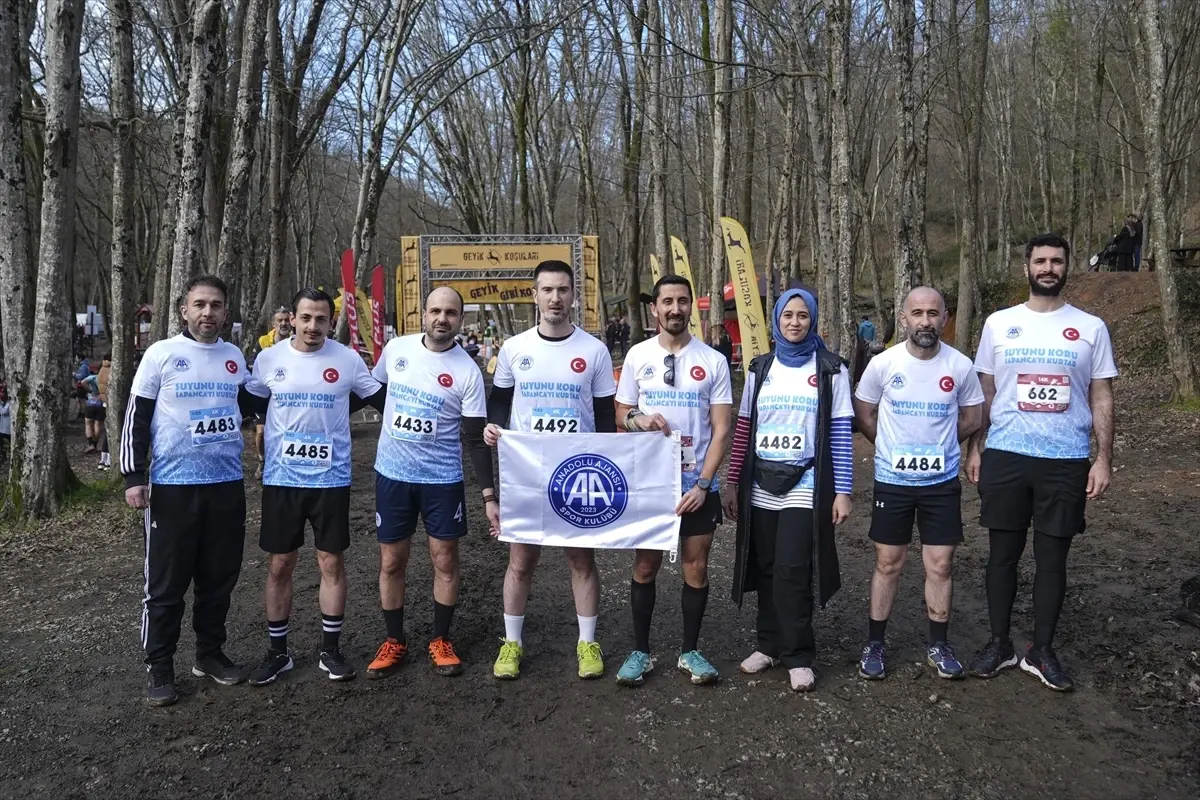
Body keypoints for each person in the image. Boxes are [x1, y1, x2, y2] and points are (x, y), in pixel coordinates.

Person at [965, 233, 1117, 692]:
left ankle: (1042, 651)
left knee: (1053, 560)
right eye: (1040, 261)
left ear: (1067, 267)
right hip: (1006, 455)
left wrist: (1103, 458)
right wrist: (975, 447)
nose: (1048, 267)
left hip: (1066, 459)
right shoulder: (998, 323)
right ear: (1026, 268)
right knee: (1001, 556)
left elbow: (1102, 394)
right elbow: (984, 392)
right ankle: (999, 643)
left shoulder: (1091, 328)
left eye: (1056, 261)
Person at [121, 275, 256, 707]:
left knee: (219, 579)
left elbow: (254, 406)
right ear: (184, 309)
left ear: (225, 311)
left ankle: (209, 655)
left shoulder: (234, 356)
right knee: (165, 585)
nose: (208, 313)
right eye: (199, 304)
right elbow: (135, 417)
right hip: (173, 489)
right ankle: (159, 666)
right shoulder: (161, 354)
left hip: (225, 486)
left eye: (216, 305)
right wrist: (133, 476)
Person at [242, 289, 386, 686]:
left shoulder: (346, 359)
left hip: (331, 479)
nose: (312, 326)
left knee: (331, 563)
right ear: (292, 319)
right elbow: (249, 402)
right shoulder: (269, 359)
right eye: (305, 318)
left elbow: (382, 398)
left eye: (321, 319)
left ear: (330, 321)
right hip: (281, 480)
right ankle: (277, 653)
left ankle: (331, 649)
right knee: (280, 565)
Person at [483, 260, 617, 680]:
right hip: (528, 473)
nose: (555, 298)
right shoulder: (514, 348)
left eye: (563, 290)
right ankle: (512, 644)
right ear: (535, 295)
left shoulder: (593, 350)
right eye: (547, 290)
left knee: (581, 560)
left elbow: (605, 418)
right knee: (521, 561)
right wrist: (494, 426)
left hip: (577, 473)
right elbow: (500, 405)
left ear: (574, 296)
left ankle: (588, 643)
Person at [722, 289, 853, 692]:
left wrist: (844, 490)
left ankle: (798, 654)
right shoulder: (761, 368)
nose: (794, 322)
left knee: (793, 568)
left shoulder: (831, 369)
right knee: (764, 566)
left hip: (806, 482)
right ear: (776, 320)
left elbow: (841, 432)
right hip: (761, 481)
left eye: (802, 316)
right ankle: (769, 645)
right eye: (787, 316)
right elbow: (744, 427)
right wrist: (731, 481)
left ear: (812, 320)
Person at [365, 287, 499, 679]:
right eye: (436, 311)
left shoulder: (467, 371)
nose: (443, 319)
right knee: (392, 560)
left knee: (444, 560)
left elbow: (474, 438)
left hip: (441, 481)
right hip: (392, 476)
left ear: (460, 319)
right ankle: (394, 641)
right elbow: (375, 392)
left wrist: (488, 494)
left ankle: (440, 639)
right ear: (423, 313)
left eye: (451, 313)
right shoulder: (397, 350)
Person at [852, 287, 983, 681]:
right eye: (917, 313)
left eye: (933, 313)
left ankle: (939, 644)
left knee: (940, 564)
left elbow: (973, 417)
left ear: (945, 318)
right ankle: (875, 643)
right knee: (888, 562)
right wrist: (890, 446)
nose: (925, 321)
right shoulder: (883, 364)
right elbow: (865, 412)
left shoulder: (960, 366)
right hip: (893, 481)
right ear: (904, 318)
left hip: (940, 483)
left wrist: (940, 447)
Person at [613, 275, 733, 686]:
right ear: (655, 308)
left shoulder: (713, 361)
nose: (675, 309)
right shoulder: (636, 357)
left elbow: (721, 431)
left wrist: (703, 483)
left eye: (683, 301)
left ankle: (690, 652)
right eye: (668, 301)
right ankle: (640, 652)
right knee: (645, 565)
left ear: (691, 307)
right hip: (650, 482)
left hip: (697, 485)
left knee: (695, 567)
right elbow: (621, 415)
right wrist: (638, 420)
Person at [253, 308, 293, 476]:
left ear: (291, 321)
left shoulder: (297, 341)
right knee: (261, 433)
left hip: (286, 394)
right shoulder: (263, 341)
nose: (283, 323)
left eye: (286, 320)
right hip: (265, 393)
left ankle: (285, 463)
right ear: (273, 324)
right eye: (279, 321)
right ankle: (262, 461)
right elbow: (253, 361)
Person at [82, 364, 106, 455]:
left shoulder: (93, 377)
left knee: (88, 424)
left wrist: (90, 390)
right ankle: (95, 445)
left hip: (90, 403)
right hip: (100, 404)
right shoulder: (105, 379)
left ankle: (90, 444)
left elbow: (83, 382)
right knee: (98, 425)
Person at [0, 385, 11, 461]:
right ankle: (4, 457)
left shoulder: (9, 403)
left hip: (7, 429)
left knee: (6, 444)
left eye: (3, 392)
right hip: (2, 428)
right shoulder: (5, 402)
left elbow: (3, 412)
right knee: (2, 444)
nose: (1, 394)